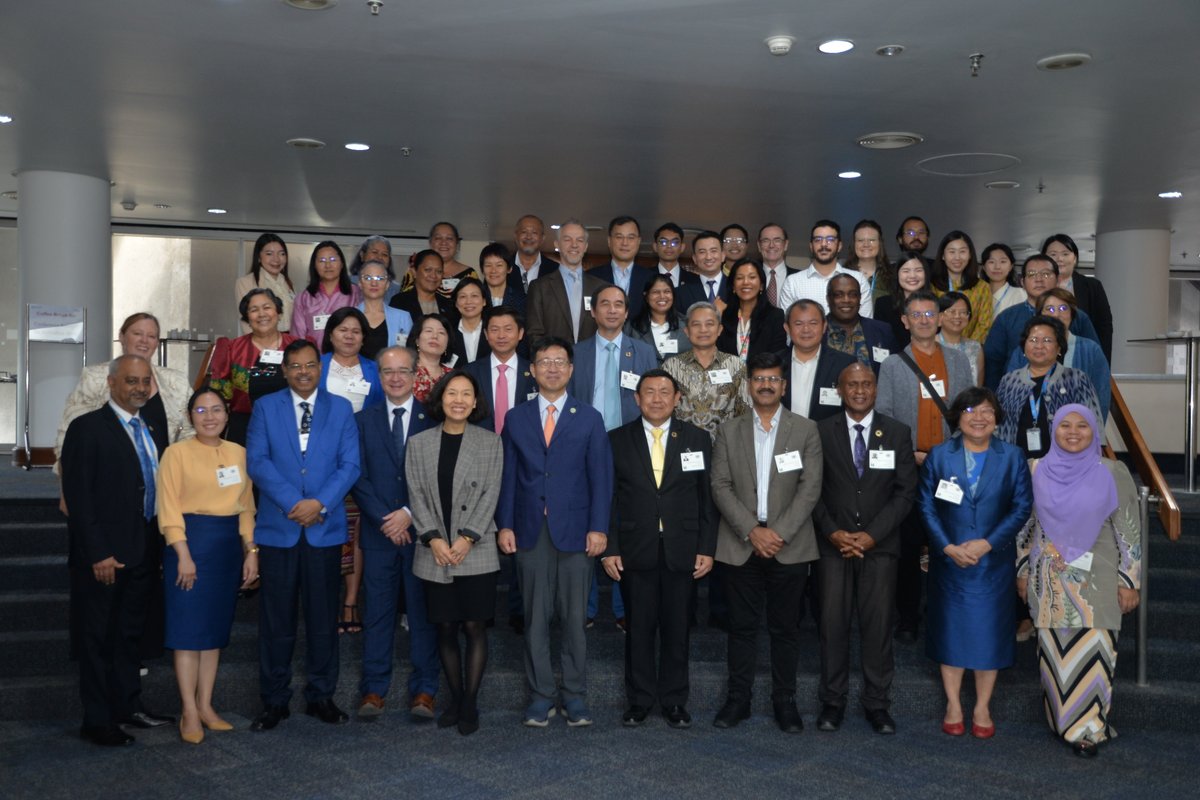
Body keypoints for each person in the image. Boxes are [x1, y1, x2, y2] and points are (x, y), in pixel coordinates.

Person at [496, 337, 613, 728]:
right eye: (544, 362)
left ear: (571, 369)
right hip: (530, 530)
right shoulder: (517, 417)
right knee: (535, 619)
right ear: (532, 370)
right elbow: (508, 476)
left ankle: (575, 696)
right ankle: (541, 694)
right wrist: (506, 523)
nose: (551, 368)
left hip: (578, 532)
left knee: (575, 620)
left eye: (559, 362)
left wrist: (599, 528)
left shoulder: (589, 417)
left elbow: (601, 478)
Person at [245, 339, 361, 731]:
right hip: (280, 529)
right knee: (276, 623)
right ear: (285, 370)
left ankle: (321, 696)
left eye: (310, 365)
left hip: (323, 531)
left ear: (320, 367)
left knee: (323, 620)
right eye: (295, 366)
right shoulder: (265, 408)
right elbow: (257, 462)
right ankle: (274, 700)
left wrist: (320, 504)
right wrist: (295, 503)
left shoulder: (341, 408)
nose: (303, 372)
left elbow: (350, 465)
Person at [61, 355, 176, 747]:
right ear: (110, 383)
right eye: (131, 381)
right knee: (98, 639)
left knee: (129, 635)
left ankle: (128, 706)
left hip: (143, 549)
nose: (140, 388)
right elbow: (79, 498)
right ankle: (96, 720)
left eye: (145, 381)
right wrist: (98, 554)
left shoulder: (150, 427)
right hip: (104, 556)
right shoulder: (87, 428)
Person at [1017, 405, 1141, 758]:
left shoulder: (1113, 472)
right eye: (1065, 426)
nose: (1073, 432)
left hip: (1097, 582)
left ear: (1095, 432)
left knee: (1095, 655)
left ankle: (1089, 729)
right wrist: (1023, 570)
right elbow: (1025, 529)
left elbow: (1129, 534)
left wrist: (1129, 580)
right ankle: (1063, 723)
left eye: (1083, 426)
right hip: (1049, 579)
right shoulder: (1035, 469)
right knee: (1053, 657)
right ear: (1053, 430)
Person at [710, 352, 822, 732]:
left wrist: (779, 533)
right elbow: (720, 486)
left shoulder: (806, 430)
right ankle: (737, 700)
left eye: (773, 379)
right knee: (740, 628)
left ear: (784, 386)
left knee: (785, 629)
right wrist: (751, 530)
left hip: (788, 545)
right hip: (741, 543)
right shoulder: (729, 430)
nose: (766, 385)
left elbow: (810, 489)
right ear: (749, 385)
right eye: (759, 379)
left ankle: (784, 701)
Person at [602, 370, 716, 729]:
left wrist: (707, 548)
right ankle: (638, 701)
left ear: (677, 398)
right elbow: (609, 499)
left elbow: (706, 500)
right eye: (648, 392)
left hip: (682, 549)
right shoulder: (617, 439)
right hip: (635, 549)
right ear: (636, 399)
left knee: (677, 630)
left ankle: (674, 701)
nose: (656, 398)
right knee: (638, 629)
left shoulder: (697, 438)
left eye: (664, 392)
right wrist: (610, 547)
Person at [920, 387, 1032, 739]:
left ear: (997, 418)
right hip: (950, 562)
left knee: (990, 634)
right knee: (951, 631)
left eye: (987, 411)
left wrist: (987, 543)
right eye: (971, 410)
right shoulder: (940, 456)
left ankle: (982, 705)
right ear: (958, 416)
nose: (979, 417)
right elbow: (925, 506)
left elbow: (1021, 507)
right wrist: (948, 547)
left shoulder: (1012, 456)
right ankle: (953, 703)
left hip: (992, 563)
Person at [812, 363, 917, 735]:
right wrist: (833, 533)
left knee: (877, 629)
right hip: (832, 547)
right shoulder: (820, 431)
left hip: (880, 547)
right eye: (852, 384)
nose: (859, 390)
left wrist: (873, 534)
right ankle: (832, 702)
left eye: (866, 384)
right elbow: (812, 490)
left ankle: (877, 704)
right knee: (832, 626)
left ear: (876, 389)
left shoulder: (899, 432)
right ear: (839, 389)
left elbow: (905, 493)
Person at [156, 389, 258, 744]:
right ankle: (187, 709)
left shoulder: (239, 454)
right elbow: (167, 508)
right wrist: (183, 554)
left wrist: (252, 550)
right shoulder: (176, 454)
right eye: (201, 410)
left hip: (227, 548)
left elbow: (246, 508)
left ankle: (206, 705)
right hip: (189, 544)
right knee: (187, 633)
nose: (209, 416)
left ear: (227, 416)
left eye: (216, 410)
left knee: (213, 632)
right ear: (190, 416)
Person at [407, 370, 503, 736]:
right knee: (445, 627)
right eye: (452, 394)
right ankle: (454, 696)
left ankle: (470, 703)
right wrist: (433, 539)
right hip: (435, 549)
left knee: (474, 626)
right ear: (440, 399)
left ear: (476, 402)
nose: (459, 400)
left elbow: (491, 493)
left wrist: (467, 538)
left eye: (466, 394)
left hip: (473, 549)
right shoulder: (419, 443)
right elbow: (416, 493)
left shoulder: (490, 442)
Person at [876, 290, 975, 644]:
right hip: (910, 466)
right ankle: (907, 616)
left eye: (929, 314)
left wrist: (952, 451)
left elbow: (969, 410)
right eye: (915, 315)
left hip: (950, 465)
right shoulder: (891, 365)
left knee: (948, 541)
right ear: (904, 321)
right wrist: (914, 455)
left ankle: (946, 611)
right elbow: (884, 416)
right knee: (909, 542)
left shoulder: (959, 360)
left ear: (940, 318)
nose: (923, 320)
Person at [351, 346, 441, 721]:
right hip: (378, 533)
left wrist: (408, 514)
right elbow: (356, 473)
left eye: (403, 370)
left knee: (423, 614)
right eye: (388, 372)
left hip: (422, 535)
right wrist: (386, 519)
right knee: (378, 614)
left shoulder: (432, 419)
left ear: (415, 373)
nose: (396, 378)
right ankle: (373, 688)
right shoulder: (362, 420)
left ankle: (425, 689)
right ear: (379, 376)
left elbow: (437, 477)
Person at [570, 285, 657, 627]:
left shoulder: (644, 352)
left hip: (629, 447)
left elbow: (651, 400)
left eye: (618, 304)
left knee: (628, 523)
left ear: (626, 311)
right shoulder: (577, 352)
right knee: (586, 522)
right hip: (583, 448)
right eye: (603, 303)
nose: (611, 310)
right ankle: (587, 608)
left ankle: (623, 609)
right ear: (593, 311)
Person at [56, 312, 193, 473]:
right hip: (109, 478)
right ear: (122, 336)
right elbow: (69, 434)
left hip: (166, 477)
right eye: (137, 334)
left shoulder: (177, 381)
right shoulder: (94, 378)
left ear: (157, 342)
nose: (144, 340)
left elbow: (190, 430)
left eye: (151, 336)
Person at [318, 307, 384, 635]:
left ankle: (351, 601)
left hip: (361, 459)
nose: (349, 335)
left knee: (357, 531)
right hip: (320, 463)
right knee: (326, 528)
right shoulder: (316, 368)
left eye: (356, 331)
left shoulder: (374, 371)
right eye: (342, 329)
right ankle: (326, 600)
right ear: (330, 334)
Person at [983, 254, 1101, 389]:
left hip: (1075, 396)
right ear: (1022, 281)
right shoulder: (1007, 317)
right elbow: (993, 364)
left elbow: (1095, 361)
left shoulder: (1077, 317)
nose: (1038, 279)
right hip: (1020, 394)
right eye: (1032, 274)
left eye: (1045, 274)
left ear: (1057, 280)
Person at [995, 316, 1102, 459]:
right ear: (1024, 346)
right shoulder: (1009, 381)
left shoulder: (1076, 379)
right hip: (1016, 464)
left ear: (1059, 348)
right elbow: (997, 424)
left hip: (1065, 465)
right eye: (1033, 340)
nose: (1039, 346)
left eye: (1047, 340)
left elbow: (1094, 423)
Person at [1005, 288, 1111, 421]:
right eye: (1049, 309)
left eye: (1063, 308)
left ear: (1072, 314)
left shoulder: (1090, 350)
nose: (1056, 314)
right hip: (1031, 427)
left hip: (1076, 432)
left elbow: (1102, 397)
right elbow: (1011, 393)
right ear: (1039, 315)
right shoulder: (1023, 350)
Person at [209, 289, 298, 445]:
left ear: (278, 313)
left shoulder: (297, 347)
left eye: (267, 307)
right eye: (254, 310)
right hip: (244, 429)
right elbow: (220, 396)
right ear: (247, 319)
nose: (262, 314)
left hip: (291, 426)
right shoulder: (233, 348)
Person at [662, 302, 750, 436]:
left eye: (709, 324)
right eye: (696, 324)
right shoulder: (670, 367)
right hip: (683, 447)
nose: (703, 329)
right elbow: (664, 412)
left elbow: (744, 413)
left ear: (720, 329)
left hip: (724, 448)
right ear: (686, 331)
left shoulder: (736, 366)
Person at [524, 220, 609, 343]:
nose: (574, 245)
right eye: (567, 239)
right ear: (557, 244)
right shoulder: (539, 287)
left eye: (580, 240)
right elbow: (534, 333)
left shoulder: (601, 288)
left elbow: (607, 329)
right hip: (553, 361)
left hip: (592, 361)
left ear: (585, 246)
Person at [776, 300, 856, 422]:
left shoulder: (845, 365)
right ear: (787, 328)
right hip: (781, 438)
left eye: (813, 323)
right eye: (798, 324)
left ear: (824, 327)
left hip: (827, 439)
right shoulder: (773, 364)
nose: (806, 329)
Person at [778, 219, 873, 318]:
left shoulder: (858, 279)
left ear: (839, 246)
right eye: (818, 240)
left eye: (830, 239)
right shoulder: (792, 282)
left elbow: (866, 324)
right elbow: (788, 326)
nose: (823, 244)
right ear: (811, 246)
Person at [1043, 233, 1114, 362]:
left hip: (1082, 357)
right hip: (1045, 357)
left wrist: (1102, 363)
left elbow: (1104, 328)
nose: (1059, 258)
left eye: (1065, 254)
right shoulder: (1038, 287)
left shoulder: (1092, 286)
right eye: (1053, 254)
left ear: (1074, 258)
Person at [291, 240, 361, 350]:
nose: (328, 265)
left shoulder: (356, 293)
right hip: (314, 361)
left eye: (333, 259)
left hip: (347, 358)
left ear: (342, 263)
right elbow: (298, 336)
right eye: (322, 260)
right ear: (314, 265)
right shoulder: (304, 298)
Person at [823, 273, 897, 373]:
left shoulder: (882, 331)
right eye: (839, 295)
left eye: (853, 294)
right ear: (828, 299)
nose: (846, 300)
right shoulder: (816, 332)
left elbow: (894, 371)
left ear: (859, 298)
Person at [717, 258, 787, 362]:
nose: (746, 282)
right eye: (740, 278)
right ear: (733, 286)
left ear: (762, 286)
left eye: (752, 277)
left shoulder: (775, 316)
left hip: (762, 377)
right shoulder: (724, 316)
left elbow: (777, 357)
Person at [929, 230, 994, 342]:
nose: (957, 257)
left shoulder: (982, 287)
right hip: (936, 349)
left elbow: (984, 325)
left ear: (970, 255)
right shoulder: (931, 285)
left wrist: (966, 348)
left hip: (970, 352)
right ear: (943, 256)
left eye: (962, 251)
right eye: (952, 252)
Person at [591, 216, 654, 318]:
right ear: (609, 241)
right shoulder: (591, 277)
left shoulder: (652, 279)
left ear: (638, 242)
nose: (625, 243)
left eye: (631, 237)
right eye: (619, 237)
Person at [235, 233, 295, 333]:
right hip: (263, 341)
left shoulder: (288, 283)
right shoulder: (245, 282)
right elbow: (246, 322)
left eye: (281, 254)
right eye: (269, 254)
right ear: (258, 257)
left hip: (289, 342)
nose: (276, 259)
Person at [626, 273, 691, 364]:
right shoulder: (632, 327)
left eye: (667, 291)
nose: (662, 296)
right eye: (656, 292)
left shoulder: (687, 324)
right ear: (646, 296)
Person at [356, 259, 413, 360]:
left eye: (380, 278)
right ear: (360, 283)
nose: (374, 283)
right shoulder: (349, 316)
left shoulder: (402, 318)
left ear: (387, 285)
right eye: (368, 278)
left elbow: (410, 355)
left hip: (392, 374)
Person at [872, 251, 930, 349]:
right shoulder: (883, 304)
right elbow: (880, 341)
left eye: (918, 270)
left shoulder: (936, 305)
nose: (912, 276)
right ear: (897, 274)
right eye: (906, 271)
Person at [391, 249, 456, 323]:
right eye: (428, 270)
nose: (433, 275)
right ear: (414, 272)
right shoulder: (400, 302)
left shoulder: (449, 306)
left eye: (439, 271)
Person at [937, 291, 984, 385]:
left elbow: (979, 388)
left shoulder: (975, 347)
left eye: (963, 312)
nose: (957, 316)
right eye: (952, 311)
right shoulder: (929, 345)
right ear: (939, 316)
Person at [407, 313, 456, 403]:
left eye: (441, 333)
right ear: (417, 339)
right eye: (429, 331)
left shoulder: (453, 376)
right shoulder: (405, 372)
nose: (435, 336)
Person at [677, 230, 730, 313]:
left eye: (713, 251)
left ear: (723, 255)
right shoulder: (681, 292)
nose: (708, 257)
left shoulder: (735, 286)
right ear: (694, 258)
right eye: (702, 252)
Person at [844, 219, 893, 301]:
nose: (866, 245)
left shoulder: (892, 276)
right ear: (854, 244)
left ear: (880, 243)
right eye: (860, 240)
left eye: (871, 240)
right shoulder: (843, 274)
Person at [427, 221, 480, 296]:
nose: (444, 242)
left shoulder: (470, 274)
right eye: (438, 238)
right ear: (430, 243)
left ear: (457, 244)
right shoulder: (417, 272)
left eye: (449, 238)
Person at [509, 214, 559, 292]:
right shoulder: (501, 268)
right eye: (524, 232)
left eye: (534, 232)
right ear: (516, 236)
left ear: (542, 238)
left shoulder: (556, 271)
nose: (528, 237)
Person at [347, 235, 401, 304]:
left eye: (384, 254)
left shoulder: (396, 289)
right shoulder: (347, 282)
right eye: (374, 252)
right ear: (362, 255)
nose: (379, 257)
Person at [653, 222, 700, 298]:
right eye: (663, 242)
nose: (669, 246)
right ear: (655, 246)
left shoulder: (695, 281)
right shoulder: (644, 278)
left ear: (682, 247)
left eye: (674, 242)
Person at [755, 223, 798, 308]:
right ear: (759, 246)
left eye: (777, 240)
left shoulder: (799, 278)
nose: (771, 245)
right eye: (765, 240)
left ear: (785, 245)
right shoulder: (749, 278)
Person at [450, 277, 490, 364]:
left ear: (484, 301)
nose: (468, 301)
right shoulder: (447, 333)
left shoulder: (493, 331)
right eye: (463, 296)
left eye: (474, 296)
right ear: (456, 303)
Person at [981, 243, 1026, 317]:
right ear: (984, 267)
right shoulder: (978, 295)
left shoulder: (1020, 294)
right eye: (991, 262)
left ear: (1011, 266)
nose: (997, 267)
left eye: (1003, 262)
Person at [480, 242, 526, 312]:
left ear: (509, 269)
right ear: (482, 270)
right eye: (488, 265)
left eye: (499, 265)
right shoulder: (476, 297)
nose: (493, 271)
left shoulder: (521, 299)